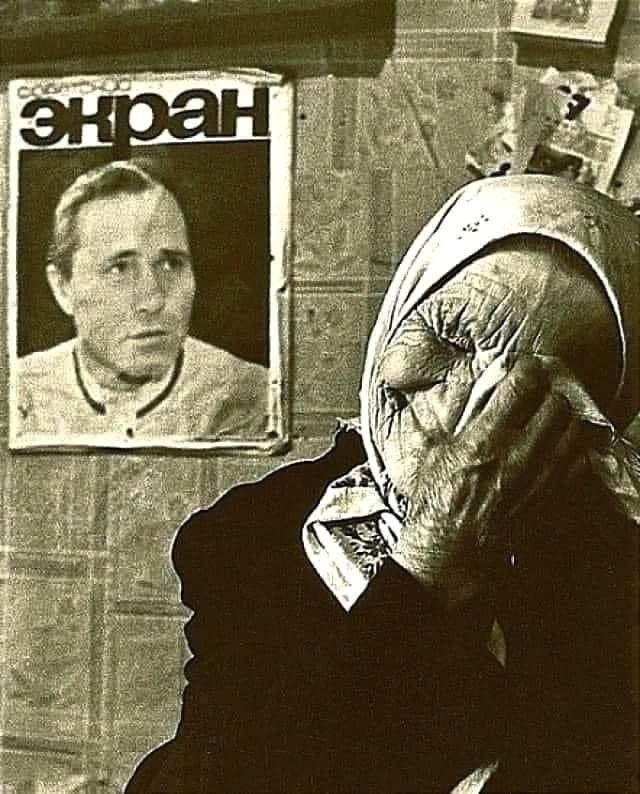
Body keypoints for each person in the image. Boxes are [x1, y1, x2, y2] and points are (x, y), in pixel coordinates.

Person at [126, 175, 639, 792]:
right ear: (399, 314)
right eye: (449, 337)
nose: (462, 411)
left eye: (526, 393)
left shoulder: (615, 573)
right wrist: (431, 566)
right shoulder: (251, 538)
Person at [16, 160, 268, 442]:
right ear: (63, 287)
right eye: (119, 269)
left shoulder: (253, 396)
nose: (153, 300)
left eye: (171, 264)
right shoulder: (18, 394)